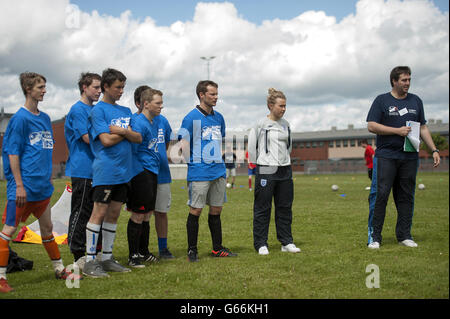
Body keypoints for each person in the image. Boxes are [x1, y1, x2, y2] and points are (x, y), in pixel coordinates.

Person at [0, 72, 81, 293]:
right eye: (40, 87)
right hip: (22, 189)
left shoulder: (44, 118)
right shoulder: (19, 119)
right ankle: (1, 277)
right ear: (28, 89)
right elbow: (13, 154)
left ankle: (58, 269)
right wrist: (18, 184)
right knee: (8, 230)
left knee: (47, 229)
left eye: (44, 86)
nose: (44, 90)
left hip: (42, 189)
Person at [366, 66, 441, 249]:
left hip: (409, 158)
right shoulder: (382, 100)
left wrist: (434, 149)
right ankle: (374, 237)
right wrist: (397, 131)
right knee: (380, 195)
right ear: (394, 81)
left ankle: (404, 235)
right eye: (404, 80)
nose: (407, 83)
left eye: (409, 79)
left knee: (406, 197)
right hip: (386, 157)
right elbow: (372, 126)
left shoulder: (416, 101)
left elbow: (422, 127)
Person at [82, 68, 142, 277]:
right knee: (98, 213)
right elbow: (105, 141)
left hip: (124, 172)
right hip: (106, 171)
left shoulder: (125, 112)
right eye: (118, 87)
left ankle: (107, 257)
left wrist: (121, 131)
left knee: (114, 214)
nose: (121, 91)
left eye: (123, 87)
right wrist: (126, 133)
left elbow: (138, 137)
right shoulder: (98, 111)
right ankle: (90, 260)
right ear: (106, 87)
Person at [178, 80, 237, 262]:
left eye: (217, 94)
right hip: (199, 172)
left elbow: (219, 141)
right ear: (201, 95)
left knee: (216, 210)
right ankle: (192, 250)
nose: (216, 97)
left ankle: (217, 248)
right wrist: (194, 164)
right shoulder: (191, 117)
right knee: (196, 210)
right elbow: (183, 145)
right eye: (212, 94)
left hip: (218, 171)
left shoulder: (219, 117)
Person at [248, 88, 300, 256]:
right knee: (263, 208)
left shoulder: (286, 124)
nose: (283, 109)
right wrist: (261, 164)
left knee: (285, 207)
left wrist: (283, 161)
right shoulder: (260, 124)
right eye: (280, 106)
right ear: (270, 105)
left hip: (285, 169)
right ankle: (261, 243)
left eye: (285, 106)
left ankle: (286, 242)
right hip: (266, 168)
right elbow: (252, 147)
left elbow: (289, 146)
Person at [64, 72, 102, 269]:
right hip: (83, 169)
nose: (99, 91)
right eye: (96, 87)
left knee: (98, 211)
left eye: (100, 87)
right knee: (81, 210)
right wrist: (110, 136)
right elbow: (88, 138)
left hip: (97, 169)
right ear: (84, 87)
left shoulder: (96, 109)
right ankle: (77, 252)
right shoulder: (78, 110)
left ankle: (94, 251)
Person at [126, 88, 162, 267]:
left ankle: (144, 251)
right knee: (138, 214)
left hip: (152, 172)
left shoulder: (153, 121)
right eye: (158, 103)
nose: (161, 106)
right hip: (141, 173)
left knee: (147, 214)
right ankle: (133, 256)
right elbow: (132, 151)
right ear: (146, 104)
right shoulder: (138, 122)